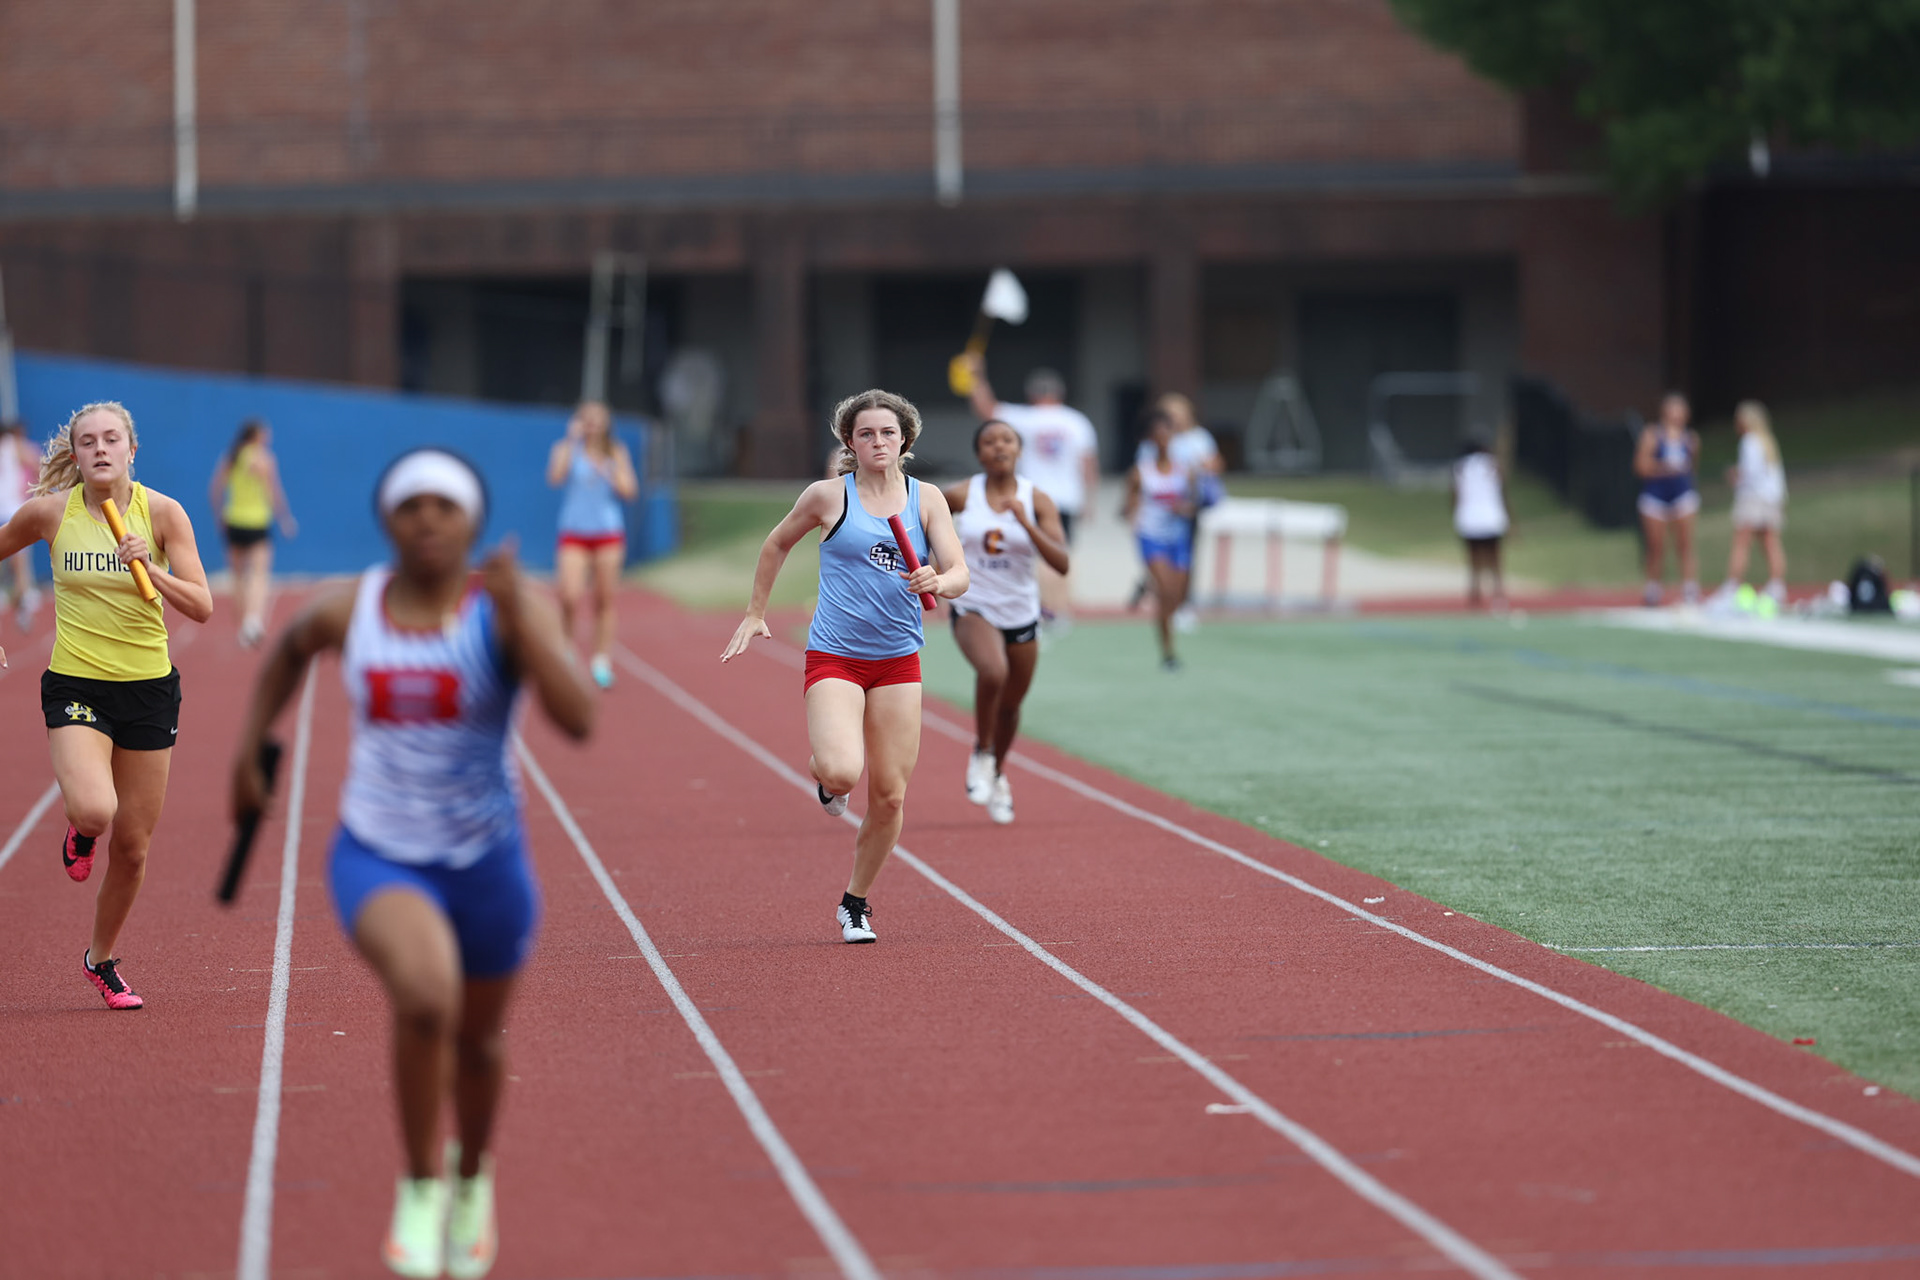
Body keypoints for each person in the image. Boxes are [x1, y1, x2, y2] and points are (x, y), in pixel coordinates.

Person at [230, 448, 595, 1279]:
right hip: (378, 851)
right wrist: (245, 754)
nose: (427, 518)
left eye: (445, 505)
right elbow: (287, 648)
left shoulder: (504, 609)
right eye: (411, 505)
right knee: (426, 999)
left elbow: (578, 720)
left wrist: (527, 626)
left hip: (488, 862)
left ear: (471, 520)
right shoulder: (349, 607)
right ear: (387, 520)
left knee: (477, 1039)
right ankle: (422, 1181)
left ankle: (472, 1178)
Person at [720, 389, 967, 943]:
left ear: (905, 438)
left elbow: (959, 571)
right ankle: (827, 782)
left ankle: (855, 902)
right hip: (836, 655)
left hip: (899, 660)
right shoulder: (829, 496)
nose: (877, 441)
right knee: (841, 771)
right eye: (865, 434)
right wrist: (756, 611)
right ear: (849, 443)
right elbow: (776, 544)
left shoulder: (926, 500)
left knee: (891, 796)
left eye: (887, 432)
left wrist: (939, 580)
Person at [0, 401, 213, 1010]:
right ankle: (81, 830)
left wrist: (152, 567)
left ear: (131, 450)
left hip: (148, 690)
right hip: (77, 685)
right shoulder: (49, 514)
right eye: (87, 440)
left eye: (111, 439)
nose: (100, 448)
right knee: (96, 809)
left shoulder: (164, 514)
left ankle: (101, 960)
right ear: (75, 454)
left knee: (135, 847)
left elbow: (201, 606)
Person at [942, 419, 1069, 824]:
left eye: (1007, 441)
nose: (999, 447)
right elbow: (923, 523)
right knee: (992, 672)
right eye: (989, 442)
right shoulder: (964, 493)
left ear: (1018, 450)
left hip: (1021, 610)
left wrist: (1026, 523)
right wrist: (933, 566)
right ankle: (981, 752)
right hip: (973, 603)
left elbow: (1061, 563)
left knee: (1012, 705)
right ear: (980, 453)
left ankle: (997, 774)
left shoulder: (1038, 499)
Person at [964, 354, 1097, 628]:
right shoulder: (1076, 421)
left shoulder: (1024, 418)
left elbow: (987, 409)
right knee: (1060, 553)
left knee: (1032, 556)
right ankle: (1060, 611)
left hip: (1032, 497)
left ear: (1032, 394)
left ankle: (1043, 610)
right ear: (1060, 393)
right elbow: (1088, 463)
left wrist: (976, 376)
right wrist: (1089, 499)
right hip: (1066, 498)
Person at [546, 401, 638, 689]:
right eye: (586, 419)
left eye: (597, 419)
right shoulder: (566, 449)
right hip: (574, 532)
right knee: (569, 596)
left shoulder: (616, 452)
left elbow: (629, 491)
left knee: (604, 599)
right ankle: (565, 650)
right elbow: (555, 477)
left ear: (606, 424)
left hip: (607, 534)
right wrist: (570, 440)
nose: (592, 424)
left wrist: (608, 472)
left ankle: (601, 661)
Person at [1129, 393, 1222, 629]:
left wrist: (1199, 469)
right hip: (1156, 514)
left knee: (1184, 560)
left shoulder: (1198, 438)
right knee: (1159, 563)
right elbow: (1141, 474)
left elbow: (1214, 464)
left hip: (1185, 510)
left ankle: (1182, 603)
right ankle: (1160, 596)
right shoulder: (1152, 441)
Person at [207, 418, 297, 647]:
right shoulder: (264, 458)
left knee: (237, 577)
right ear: (257, 436)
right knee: (258, 574)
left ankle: (243, 626)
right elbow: (273, 491)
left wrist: (219, 518)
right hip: (257, 522)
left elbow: (215, 489)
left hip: (234, 521)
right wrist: (285, 519)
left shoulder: (231, 457)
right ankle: (253, 620)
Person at [1124, 408, 1198, 670]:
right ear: (1150, 440)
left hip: (1177, 538)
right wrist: (1129, 513)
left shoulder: (1185, 471)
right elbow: (1128, 504)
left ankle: (1147, 586)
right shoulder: (1140, 472)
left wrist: (1184, 508)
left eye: (1167, 434)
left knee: (1175, 597)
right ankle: (1168, 652)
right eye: (1158, 436)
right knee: (1166, 590)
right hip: (1151, 536)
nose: (1163, 440)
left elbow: (1193, 503)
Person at [1717, 400, 1788, 607]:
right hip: (1772, 498)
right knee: (1770, 542)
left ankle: (1732, 585)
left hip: (1753, 497)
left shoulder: (1749, 441)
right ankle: (1777, 586)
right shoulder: (1767, 441)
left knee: (1741, 542)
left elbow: (1750, 473)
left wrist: (1734, 475)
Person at [1634, 392, 1702, 606]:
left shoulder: (1690, 439)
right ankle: (1653, 588)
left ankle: (1690, 588)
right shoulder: (1653, 435)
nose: (1677, 414)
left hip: (1682, 494)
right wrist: (1664, 468)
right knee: (1656, 546)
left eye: (1681, 409)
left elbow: (1692, 467)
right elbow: (1640, 466)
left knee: (1685, 544)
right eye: (1673, 409)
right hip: (1655, 495)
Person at [1450, 436, 1509, 608]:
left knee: (1474, 560)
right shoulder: (1493, 464)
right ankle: (1499, 595)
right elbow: (1502, 491)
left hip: (1469, 518)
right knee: (1495, 559)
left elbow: (1456, 494)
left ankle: (1474, 595)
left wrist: (1456, 514)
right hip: (1491, 517)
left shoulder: (1460, 467)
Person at [0, 418, 43, 630]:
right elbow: (37, 464)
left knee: (18, 562)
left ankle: (22, 598)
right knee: (18, 563)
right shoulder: (14, 446)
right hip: (10, 510)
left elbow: (36, 464)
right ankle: (22, 598)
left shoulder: (13, 447)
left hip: (11, 510)